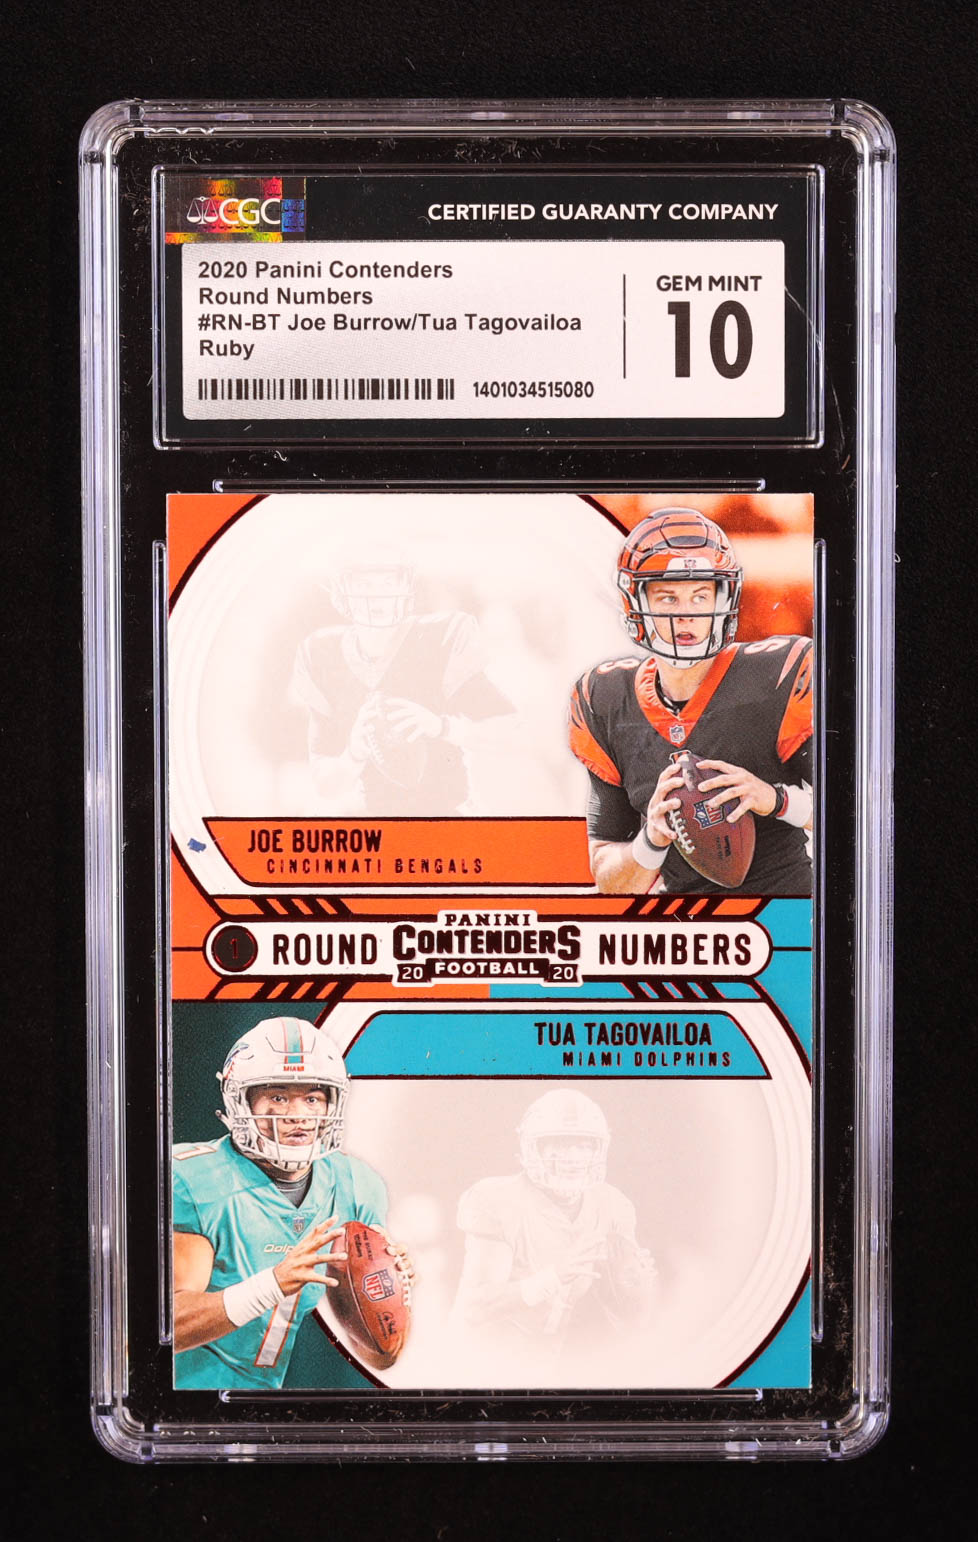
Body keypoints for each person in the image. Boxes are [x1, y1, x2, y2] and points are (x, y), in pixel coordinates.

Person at [569, 507, 813, 895]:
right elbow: (610, 879)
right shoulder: (607, 698)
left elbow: (856, 819)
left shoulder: (778, 677)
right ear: (635, 602)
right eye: (668, 597)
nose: (686, 614)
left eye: (700, 596)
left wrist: (776, 800)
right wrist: (651, 841)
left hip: (785, 914)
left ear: (724, 597)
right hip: (684, 925)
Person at [172, 1016, 412, 1389]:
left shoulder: (355, 1185)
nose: (297, 1115)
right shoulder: (194, 1179)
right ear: (240, 1099)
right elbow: (164, 1328)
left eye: (312, 1098)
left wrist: (388, 1286)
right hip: (186, 1395)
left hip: (263, 1399)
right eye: (278, 1097)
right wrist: (271, 1284)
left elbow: (381, 1355)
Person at [291, 548, 513, 814]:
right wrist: (353, 753)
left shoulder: (438, 640)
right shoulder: (322, 655)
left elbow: (510, 729)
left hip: (449, 820)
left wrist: (441, 727)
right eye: (364, 584)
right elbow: (326, 786)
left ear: (405, 585)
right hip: (382, 825)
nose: (377, 596)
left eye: (388, 582)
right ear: (342, 588)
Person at [451, 1090, 656, 1379]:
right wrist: (552, 1277)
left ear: (599, 1149)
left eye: (583, 1145)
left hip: (547, 1364)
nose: (573, 1157)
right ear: (532, 1148)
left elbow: (629, 1317)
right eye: (559, 1144)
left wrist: (637, 1285)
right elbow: (475, 1307)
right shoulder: (496, 1201)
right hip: (477, 1363)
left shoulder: (612, 1206)